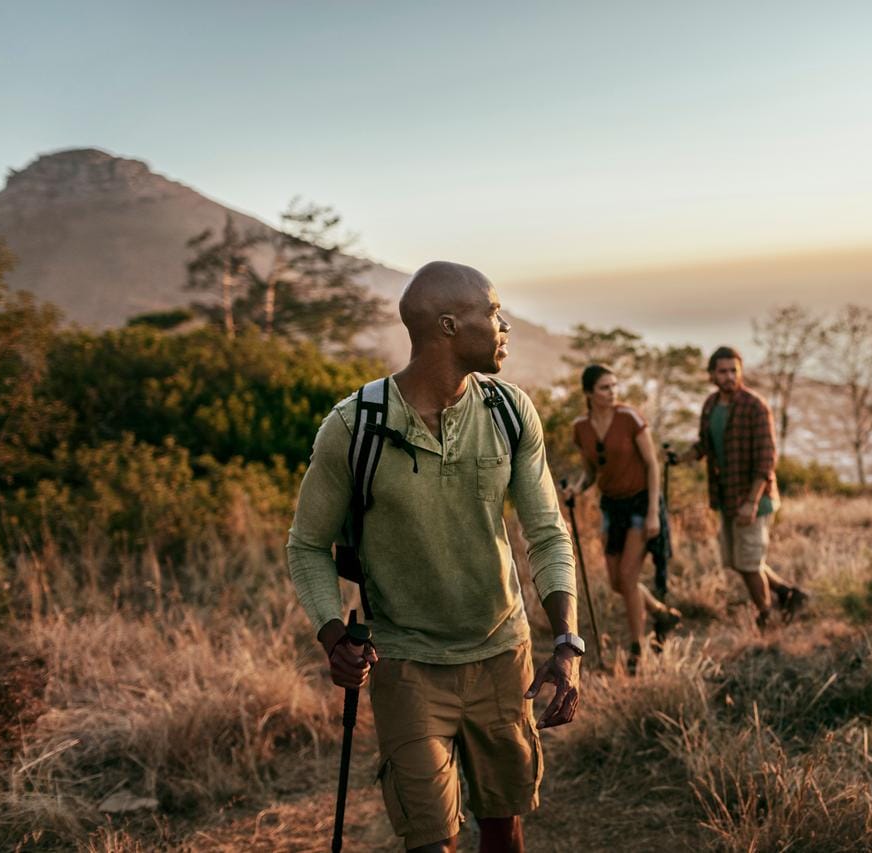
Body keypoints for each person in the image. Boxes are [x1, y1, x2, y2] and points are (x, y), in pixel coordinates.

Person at [287, 261, 581, 853]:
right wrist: (330, 637)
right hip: (406, 663)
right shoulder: (354, 427)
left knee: (504, 824)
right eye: (493, 313)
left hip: (503, 656)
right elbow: (308, 544)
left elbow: (546, 532)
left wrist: (567, 641)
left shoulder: (508, 411)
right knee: (430, 839)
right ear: (448, 326)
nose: (505, 326)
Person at [674, 346, 808, 629]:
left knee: (749, 562)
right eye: (722, 371)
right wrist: (681, 458)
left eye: (733, 370)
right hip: (726, 496)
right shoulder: (711, 406)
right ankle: (787, 592)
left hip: (753, 499)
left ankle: (765, 615)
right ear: (712, 375)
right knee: (737, 561)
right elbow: (705, 445)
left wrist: (752, 502)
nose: (729, 376)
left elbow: (766, 460)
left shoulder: (755, 406)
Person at [560, 364, 682, 673]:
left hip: (641, 504)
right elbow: (591, 471)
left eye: (614, 386)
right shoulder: (582, 428)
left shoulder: (630, 419)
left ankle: (637, 647)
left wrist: (655, 512)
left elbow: (653, 466)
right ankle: (662, 614)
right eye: (604, 387)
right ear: (589, 393)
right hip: (611, 507)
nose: (612, 392)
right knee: (617, 582)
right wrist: (576, 489)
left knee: (628, 576)